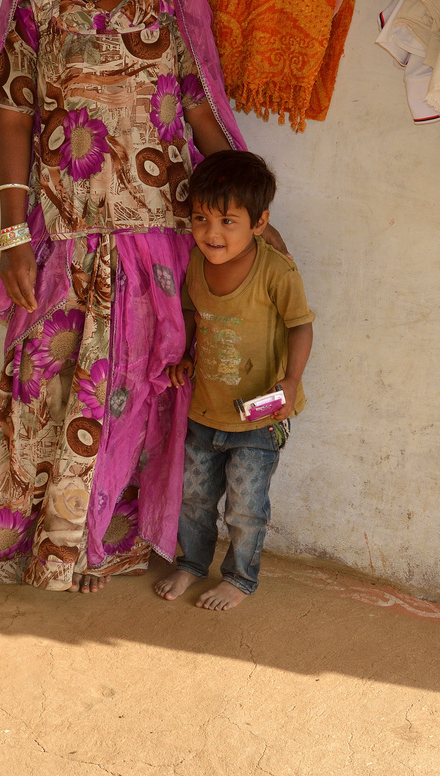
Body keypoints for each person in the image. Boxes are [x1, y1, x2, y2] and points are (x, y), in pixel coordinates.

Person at [0, 0, 284, 594]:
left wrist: (245, 209)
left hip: (159, 236)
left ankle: (107, 542)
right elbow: (12, 119)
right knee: (42, 388)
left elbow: (197, 110)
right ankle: (28, 542)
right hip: (64, 236)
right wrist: (12, 237)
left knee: (141, 389)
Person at [154, 150, 313, 610]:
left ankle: (240, 578)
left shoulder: (276, 271)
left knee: (245, 508)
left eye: (228, 221)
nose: (211, 233)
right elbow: (189, 310)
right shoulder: (195, 266)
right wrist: (185, 354)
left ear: (259, 223)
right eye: (201, 218)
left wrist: (292, 380)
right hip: (205, 410)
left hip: (261, 416)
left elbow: (301, 325)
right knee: (194, 499)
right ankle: (192, 563)